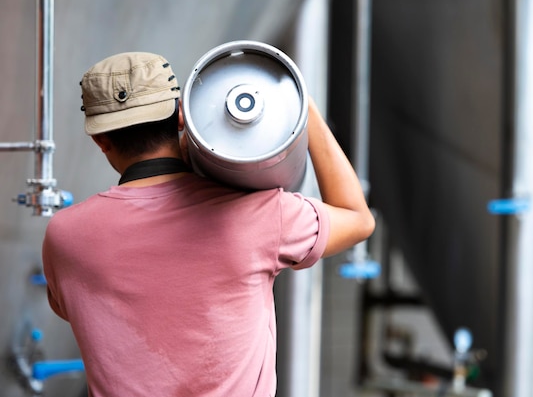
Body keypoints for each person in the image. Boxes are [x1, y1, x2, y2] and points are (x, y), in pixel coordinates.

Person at [42, 52, 374, 397]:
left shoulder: (65, 236)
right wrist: (304, 110)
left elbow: (74, 310)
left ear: (101, 140)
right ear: (182, 116)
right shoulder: (259, 215)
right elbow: (358, 219)